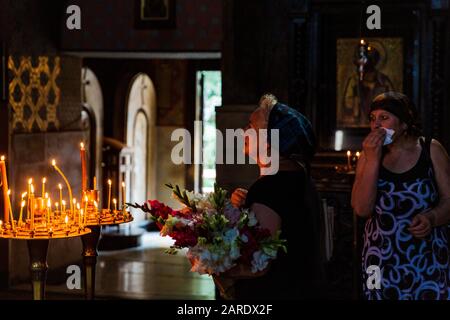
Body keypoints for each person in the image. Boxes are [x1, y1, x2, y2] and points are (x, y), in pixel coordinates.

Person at [217, 94, 325, 300]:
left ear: (269, 142)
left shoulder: (271, 187)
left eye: (251, 126)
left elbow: (260, 264)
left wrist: (215, 266)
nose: (243, 132)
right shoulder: (298, 177)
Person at [351, 91, 450, 300]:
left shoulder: (430, 149)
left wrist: (432, 218)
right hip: (377, 258)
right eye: (372, 118)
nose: (376, 125)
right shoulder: (368, 155)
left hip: (427, 256)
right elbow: (361, 209)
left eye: (384, 117)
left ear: (404, 124)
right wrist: (372, 160)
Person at [343, 44, 394, 127]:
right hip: (358, 123)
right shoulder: (354, 81)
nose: (362, 66)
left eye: (366, 61)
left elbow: (393, 103)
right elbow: (347, 103)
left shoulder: (384, 81)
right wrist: (356, 101)